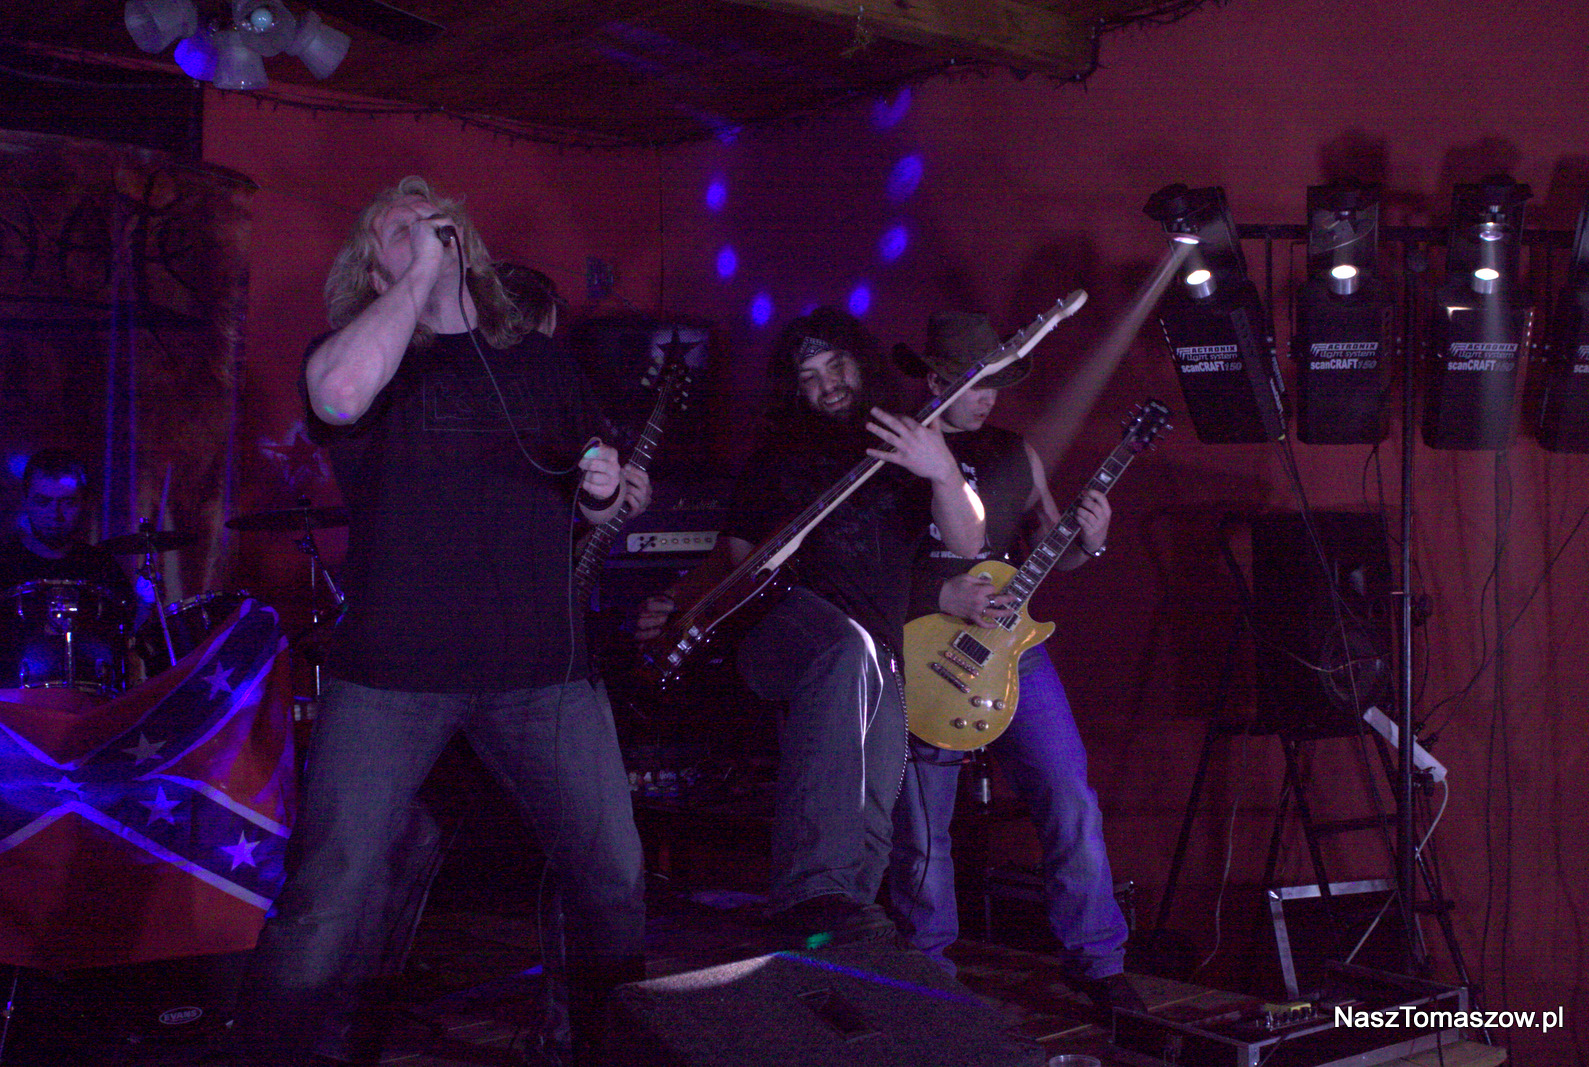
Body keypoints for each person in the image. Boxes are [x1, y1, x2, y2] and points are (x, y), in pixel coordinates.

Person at [237, 176, 646, 1067]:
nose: (425, 228)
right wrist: (417, 279)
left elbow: (592, 491)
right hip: (390, 675)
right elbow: (338, 397)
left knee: (613, 882)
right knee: (326, 897)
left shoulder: (541, 363)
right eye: (398, 228)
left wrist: (603, 488)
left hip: (543, 673)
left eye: (437, 221)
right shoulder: (359, 356)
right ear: (373, 271)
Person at [637, 307, 984, 941]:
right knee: (843, 650)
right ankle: (811, 892)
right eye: (810, 376)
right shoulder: (776, 457)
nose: (828, 384)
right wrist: (681, 601)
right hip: (785, 634)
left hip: (879, 650)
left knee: (875, 791)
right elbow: (735, 559)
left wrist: (942, 470)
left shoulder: (908, 447)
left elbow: (969, 539)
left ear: (862, 362)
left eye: (836, 365)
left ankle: (839, 929)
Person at [885, 311, 1144, 1019]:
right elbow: (857, 566)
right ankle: (929, 973)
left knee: (1069, 794)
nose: (988, 398)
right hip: (924, 651)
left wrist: (1092, 539)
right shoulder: (897, 450)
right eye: (976, 383)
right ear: (935, 380)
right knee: (924, 829)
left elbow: (1054, 545)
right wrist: (939, 594)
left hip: (1014, 650)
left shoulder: (1014, 452)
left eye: (997, 383)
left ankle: (1098, 962)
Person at [0, 449, 140, 692]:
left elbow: (129, 635)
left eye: (67, 503)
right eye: (42, 502)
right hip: (13, 707)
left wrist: (147, 603)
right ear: (25, 500)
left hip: (93, 704)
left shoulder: (101, 565)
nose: (55, 515)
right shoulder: (5, 564)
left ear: (84, 502)